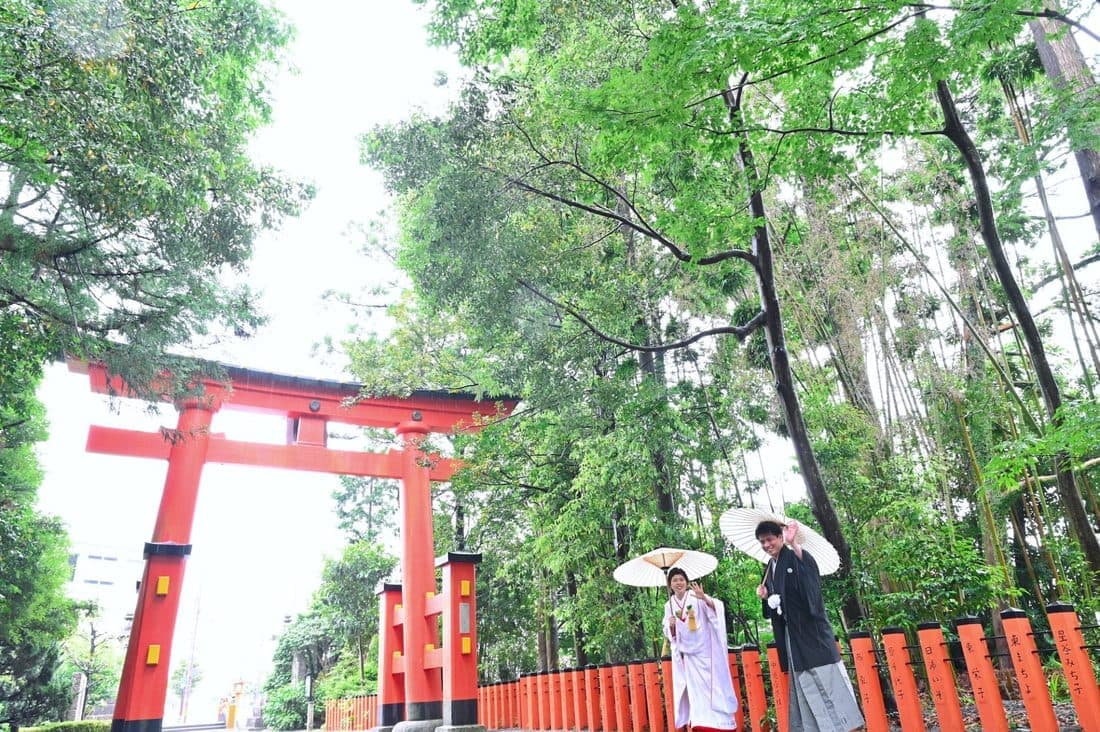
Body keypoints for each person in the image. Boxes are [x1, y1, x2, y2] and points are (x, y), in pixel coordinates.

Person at [755, 520, 864, 732]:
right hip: (792, 637)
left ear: (779, 537)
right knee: (805, 685)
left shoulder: (794, 556)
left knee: (827, 681)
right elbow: (772, 610)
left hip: (811, 635)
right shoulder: (770, 567)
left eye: (770, 539)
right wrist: (766, 597)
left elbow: (810, 579)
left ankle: (846, 727)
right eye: (762, 542)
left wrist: (794, 545)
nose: (767, 545)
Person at [663, 567, 739, 732]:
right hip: (689, 658)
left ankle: (721, 724)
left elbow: (716, 609)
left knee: (714, 689)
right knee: (696, 694)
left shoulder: (696, 597)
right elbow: (670, 634)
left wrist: (704, 598)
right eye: (674, 580)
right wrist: (671, 627)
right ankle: (700, 723)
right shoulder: (668, 605)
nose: (678, 583)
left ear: (687, 582)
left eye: (681, 579)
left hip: (706, 653)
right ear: (670, 585)